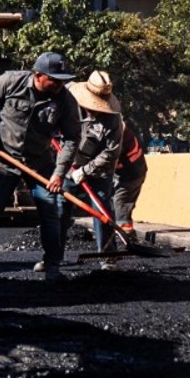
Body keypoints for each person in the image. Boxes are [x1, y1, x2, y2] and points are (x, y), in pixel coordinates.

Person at [0, 51, 82, 282]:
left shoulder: (65, 101)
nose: (60, 84)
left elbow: (72, 138)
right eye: (55, 79)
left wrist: (59, 174)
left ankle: (52, 266)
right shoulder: (12, 81)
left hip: (39, 162)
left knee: (51, 212)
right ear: (39, 75)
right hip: (3, 159)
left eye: (63, 80)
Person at [66, 70, 124, 253]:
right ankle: (52, 257)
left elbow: (111, 152)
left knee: (102, 210)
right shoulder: (68, 103)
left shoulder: (113, 119)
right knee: (59, 210)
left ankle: (108, 256)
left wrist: (85, 170)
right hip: (67, 166)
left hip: (99, 170)